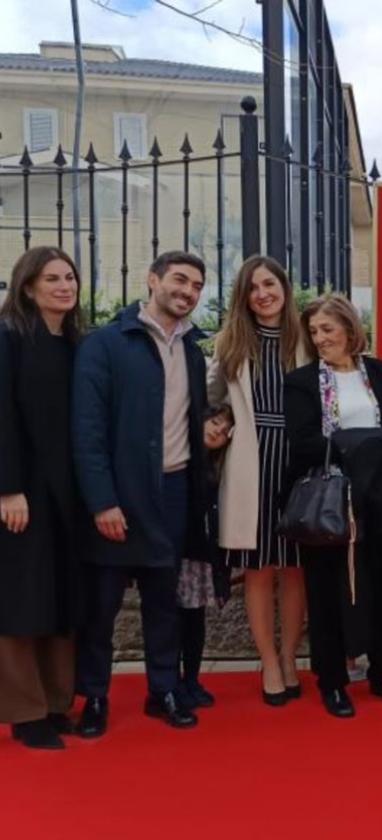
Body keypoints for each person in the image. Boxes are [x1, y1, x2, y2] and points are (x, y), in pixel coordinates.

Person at [72, 251, 210, 736]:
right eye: (179, 280)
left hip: (174, 491)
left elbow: (193, 419)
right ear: (152, 280)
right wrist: (102, 501)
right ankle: (92, 696)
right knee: (101, 607)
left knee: (163, 602)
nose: (187, 291)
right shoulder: (106, 344)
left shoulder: (194, 349)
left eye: (196, 285)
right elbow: (86, 431)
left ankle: (163, 689)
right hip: (117, 495)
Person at [284, 294, 382, 719]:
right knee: (327, 591)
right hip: (332, 502)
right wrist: (375, 447)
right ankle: (332, 682)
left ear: (349, 328)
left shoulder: (379, 372)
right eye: (314, 332)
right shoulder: (303, 382)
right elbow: (304, 442)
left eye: (328, 329)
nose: (320, 338)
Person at [208, 256, 309, 705]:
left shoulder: (306, 337)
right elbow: (210, 403)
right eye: (252, 288)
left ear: (284, 288)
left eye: (269, 284)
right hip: (252, 462)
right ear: (243, 298)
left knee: (295, 567)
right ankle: (267, 660)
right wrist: (217, 421)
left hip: (297, 463)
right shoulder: (230, 344)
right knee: (258, 568)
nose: (262, 293)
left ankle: (289, 656)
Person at [0, 247, 85, 750]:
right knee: (21, 601)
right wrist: (8, 488)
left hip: (66, 493)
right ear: (27, 286)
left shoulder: (76, 344)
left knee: (61, 596)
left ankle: (56, 703)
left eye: (70, 276)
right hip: (22, 493)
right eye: (51, 278)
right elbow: (1, 417)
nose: (64, 285)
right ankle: (24, 711)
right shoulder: (9, 338)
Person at [175, 405, 235, 709]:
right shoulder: (180, 459)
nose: (217, 431)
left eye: (224, 431)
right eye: (214, 422)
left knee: (195, 622)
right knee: (173, 622)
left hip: (201, 555)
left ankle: (192, 679)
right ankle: (170, 682)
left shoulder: (216, 468)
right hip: (178, 552)